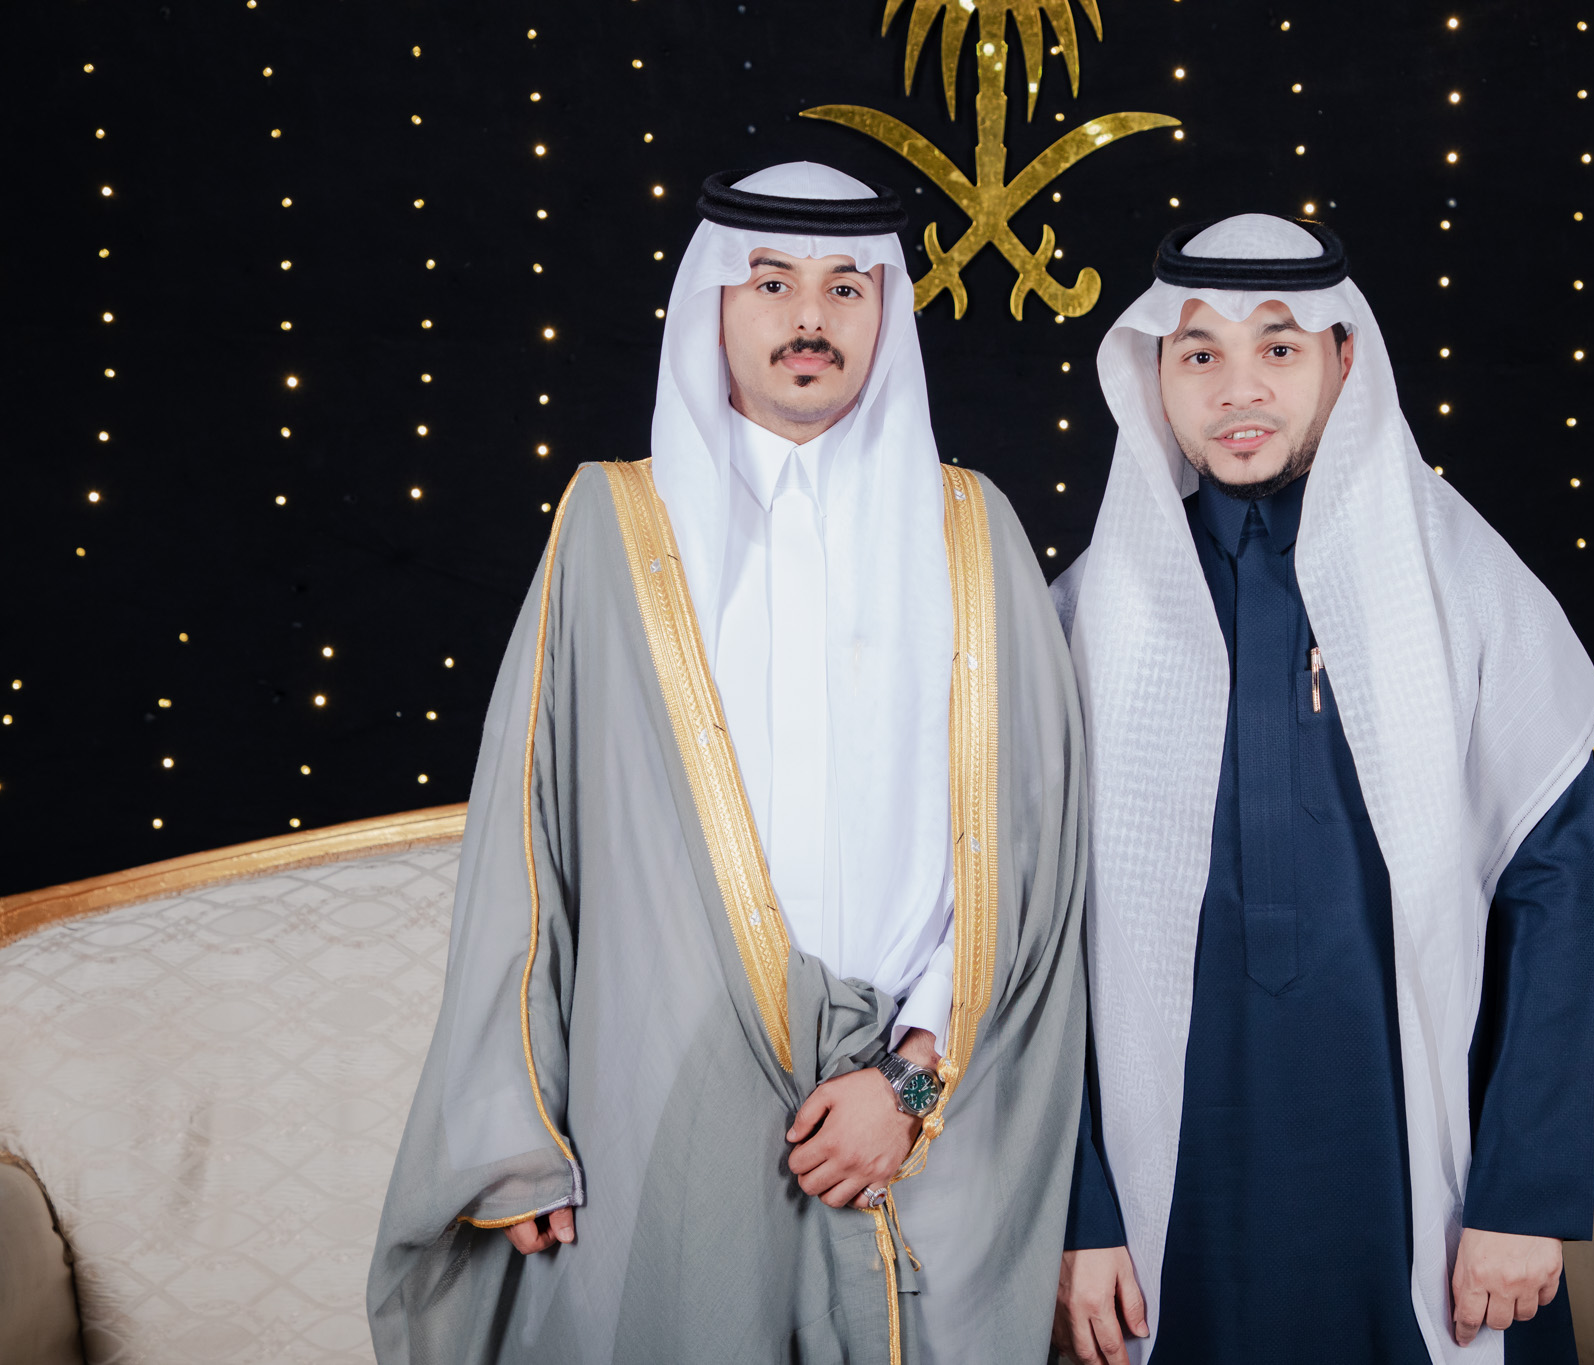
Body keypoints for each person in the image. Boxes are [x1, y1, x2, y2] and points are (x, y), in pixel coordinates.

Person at [368, 162, 1090, 1365]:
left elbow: (1032, 851)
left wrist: (911, 1086)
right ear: (713, 302)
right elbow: (526, 843)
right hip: (665, 1100)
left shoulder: (974, 530)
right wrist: (510, 1131)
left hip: (920, 1123)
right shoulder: (610, 525)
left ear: (883, 310)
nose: (810, 318)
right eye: (771, 283)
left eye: (844, 287)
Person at [1048, 215, 1594, 1364]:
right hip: (1172, 1209)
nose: (1237, 388)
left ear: (1343, 361)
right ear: (1154, 374)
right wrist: (1081, 1212)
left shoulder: (1459, 582)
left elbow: (1555, 896)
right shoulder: (1086, 614)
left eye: (1278, 346)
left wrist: (1521, 1196)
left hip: (1421, 1190)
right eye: (1198, 353)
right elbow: (1032, 948)